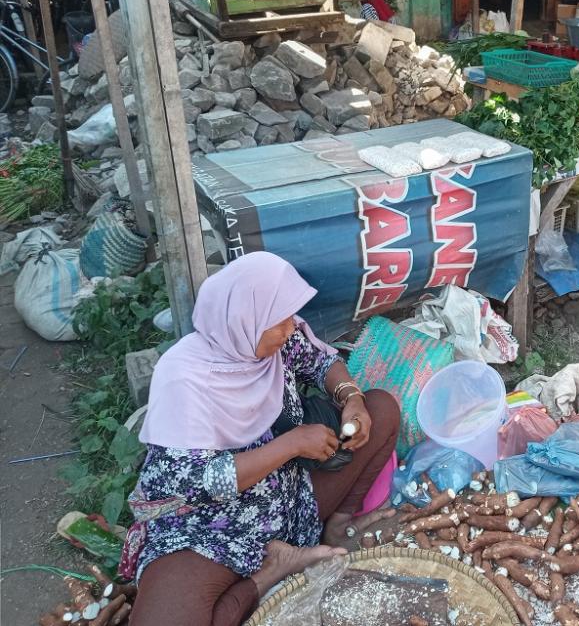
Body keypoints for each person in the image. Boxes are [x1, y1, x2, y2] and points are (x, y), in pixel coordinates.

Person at [125, 252, 400, 626]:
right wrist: (291, 444)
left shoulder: (275, 339)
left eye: (289, 318)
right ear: (242, 321)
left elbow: (321, 364)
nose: (291, 329)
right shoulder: (184, 378)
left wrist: (351, 397)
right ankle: (272, 573)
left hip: (292, 500)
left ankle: (337, 523)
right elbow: (198, 481)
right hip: (213, 528)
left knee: (380, 408)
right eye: (280, 322)